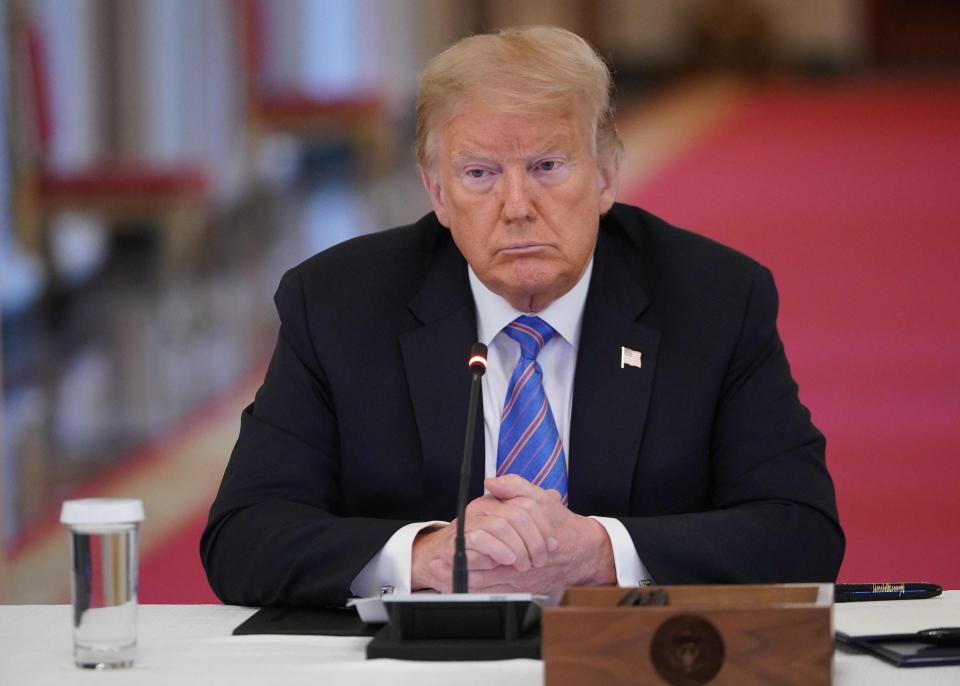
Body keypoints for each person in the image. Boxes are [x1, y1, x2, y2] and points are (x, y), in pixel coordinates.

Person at [201, 26, 843, 607]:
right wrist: (427, 558)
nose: (516, 206)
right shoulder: (339, 304)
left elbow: (801, 530)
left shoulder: (713, 299)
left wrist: (597, 554)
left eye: (547, 166)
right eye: (479, 173)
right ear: (436, 192)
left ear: (607, 174)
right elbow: (244, 536)